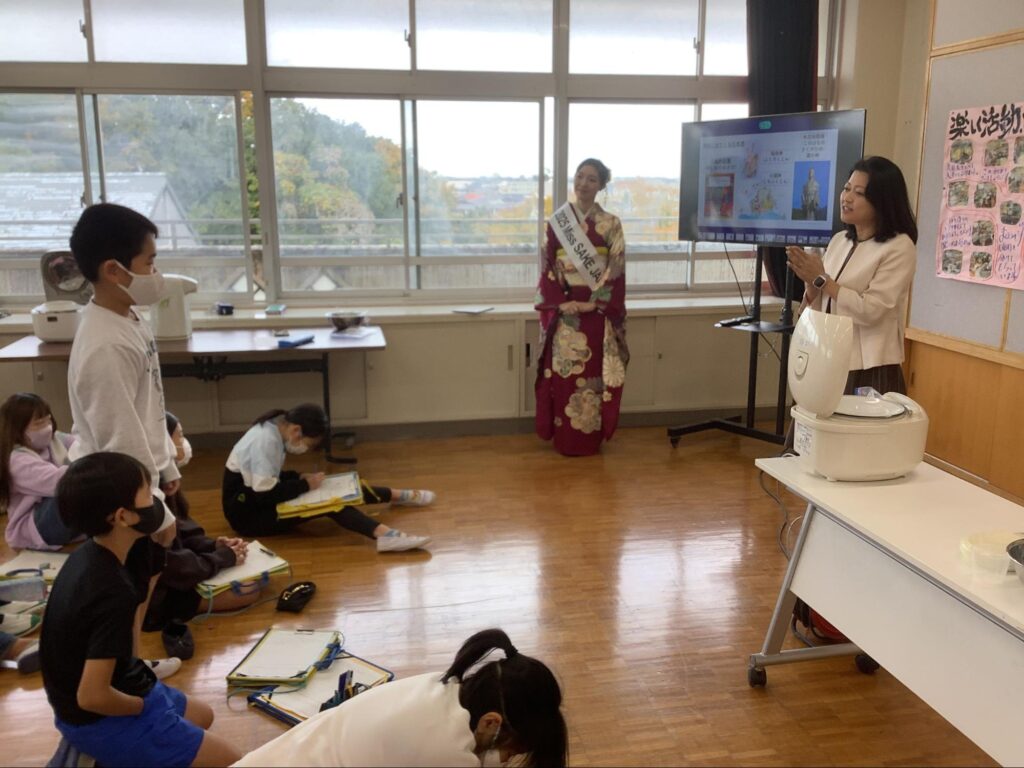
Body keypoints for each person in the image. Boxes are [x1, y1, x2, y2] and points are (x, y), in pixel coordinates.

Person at [40, 452, 240, 767]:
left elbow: (130, 630)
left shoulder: (96, 552)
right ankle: (93, 756)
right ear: (123, 517)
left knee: (203, 716)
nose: (156, 500)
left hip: (121, 686)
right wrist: (141, 708)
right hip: (97, 718)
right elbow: (91, 696)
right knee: (235, 761)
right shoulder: (109, 590)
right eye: (148, 493)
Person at [234, 628, 568, 767]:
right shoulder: (447, 751)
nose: (505, 760)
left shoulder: (438, 687)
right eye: (509, 752)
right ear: (491, 722)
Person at [66, 202, 180, 534]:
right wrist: (155, 514)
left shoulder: (127, 315)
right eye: (150, 262)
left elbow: (148, 406)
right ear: (113, 271)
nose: (155, 273)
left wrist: (166, 465)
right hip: (129, 499)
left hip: (147, 484)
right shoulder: (105, 345)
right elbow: (120, 441)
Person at [786, 156, 918, 396]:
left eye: (859, 193)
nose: (846, 198)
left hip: (869, 368)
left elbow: (872, 311)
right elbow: (822, 302)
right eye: (847, 188)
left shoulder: (899, 247)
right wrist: (811, 284)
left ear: (882, 201)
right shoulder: (840, 241)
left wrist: (822, 280)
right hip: (826, 357)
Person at [222, 403, 433, 552]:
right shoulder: (266, 441)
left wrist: (299, 477)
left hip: (256, 501)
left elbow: (267, 477)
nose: (306, 448)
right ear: (296, 430)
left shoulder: (272, 430)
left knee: (332, 488)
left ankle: (397, 496)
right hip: (250, 517)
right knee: (331, 503)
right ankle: (385, 535)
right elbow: (265, 494)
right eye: (310, 443)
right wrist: (304, 485)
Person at [535, 158, 629, 456]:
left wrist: (594, 303)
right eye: (579, 176)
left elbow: (616, 266)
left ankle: (589, 440)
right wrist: (562, 302)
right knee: (564, 377)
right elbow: (547, 266)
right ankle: (565, 438)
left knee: (592, 380)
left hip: (596, 314)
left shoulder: (611, 224)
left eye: (591, 179)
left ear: (601, 185)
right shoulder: (557, 223)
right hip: (566, 313)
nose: (583, 183)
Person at [144, 413, 257, 662]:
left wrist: (214, 545)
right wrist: (221, 558)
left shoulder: (166, 484)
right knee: (249, 591)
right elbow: (171, 564)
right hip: (160, 598)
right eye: (180, 436)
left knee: (252, 583)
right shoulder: (149, 495)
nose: (184, 442)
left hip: (182, 576)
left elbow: (184, 532)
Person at [0, 392, 81, 550]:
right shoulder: (17, 460)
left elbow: (82, 447)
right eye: (38, 423)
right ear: (17, 429)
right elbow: (59, 482)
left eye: (48, 419)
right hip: (34, 526)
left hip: (54, 513)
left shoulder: (56, 440)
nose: (47, 427)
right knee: (79, 491)